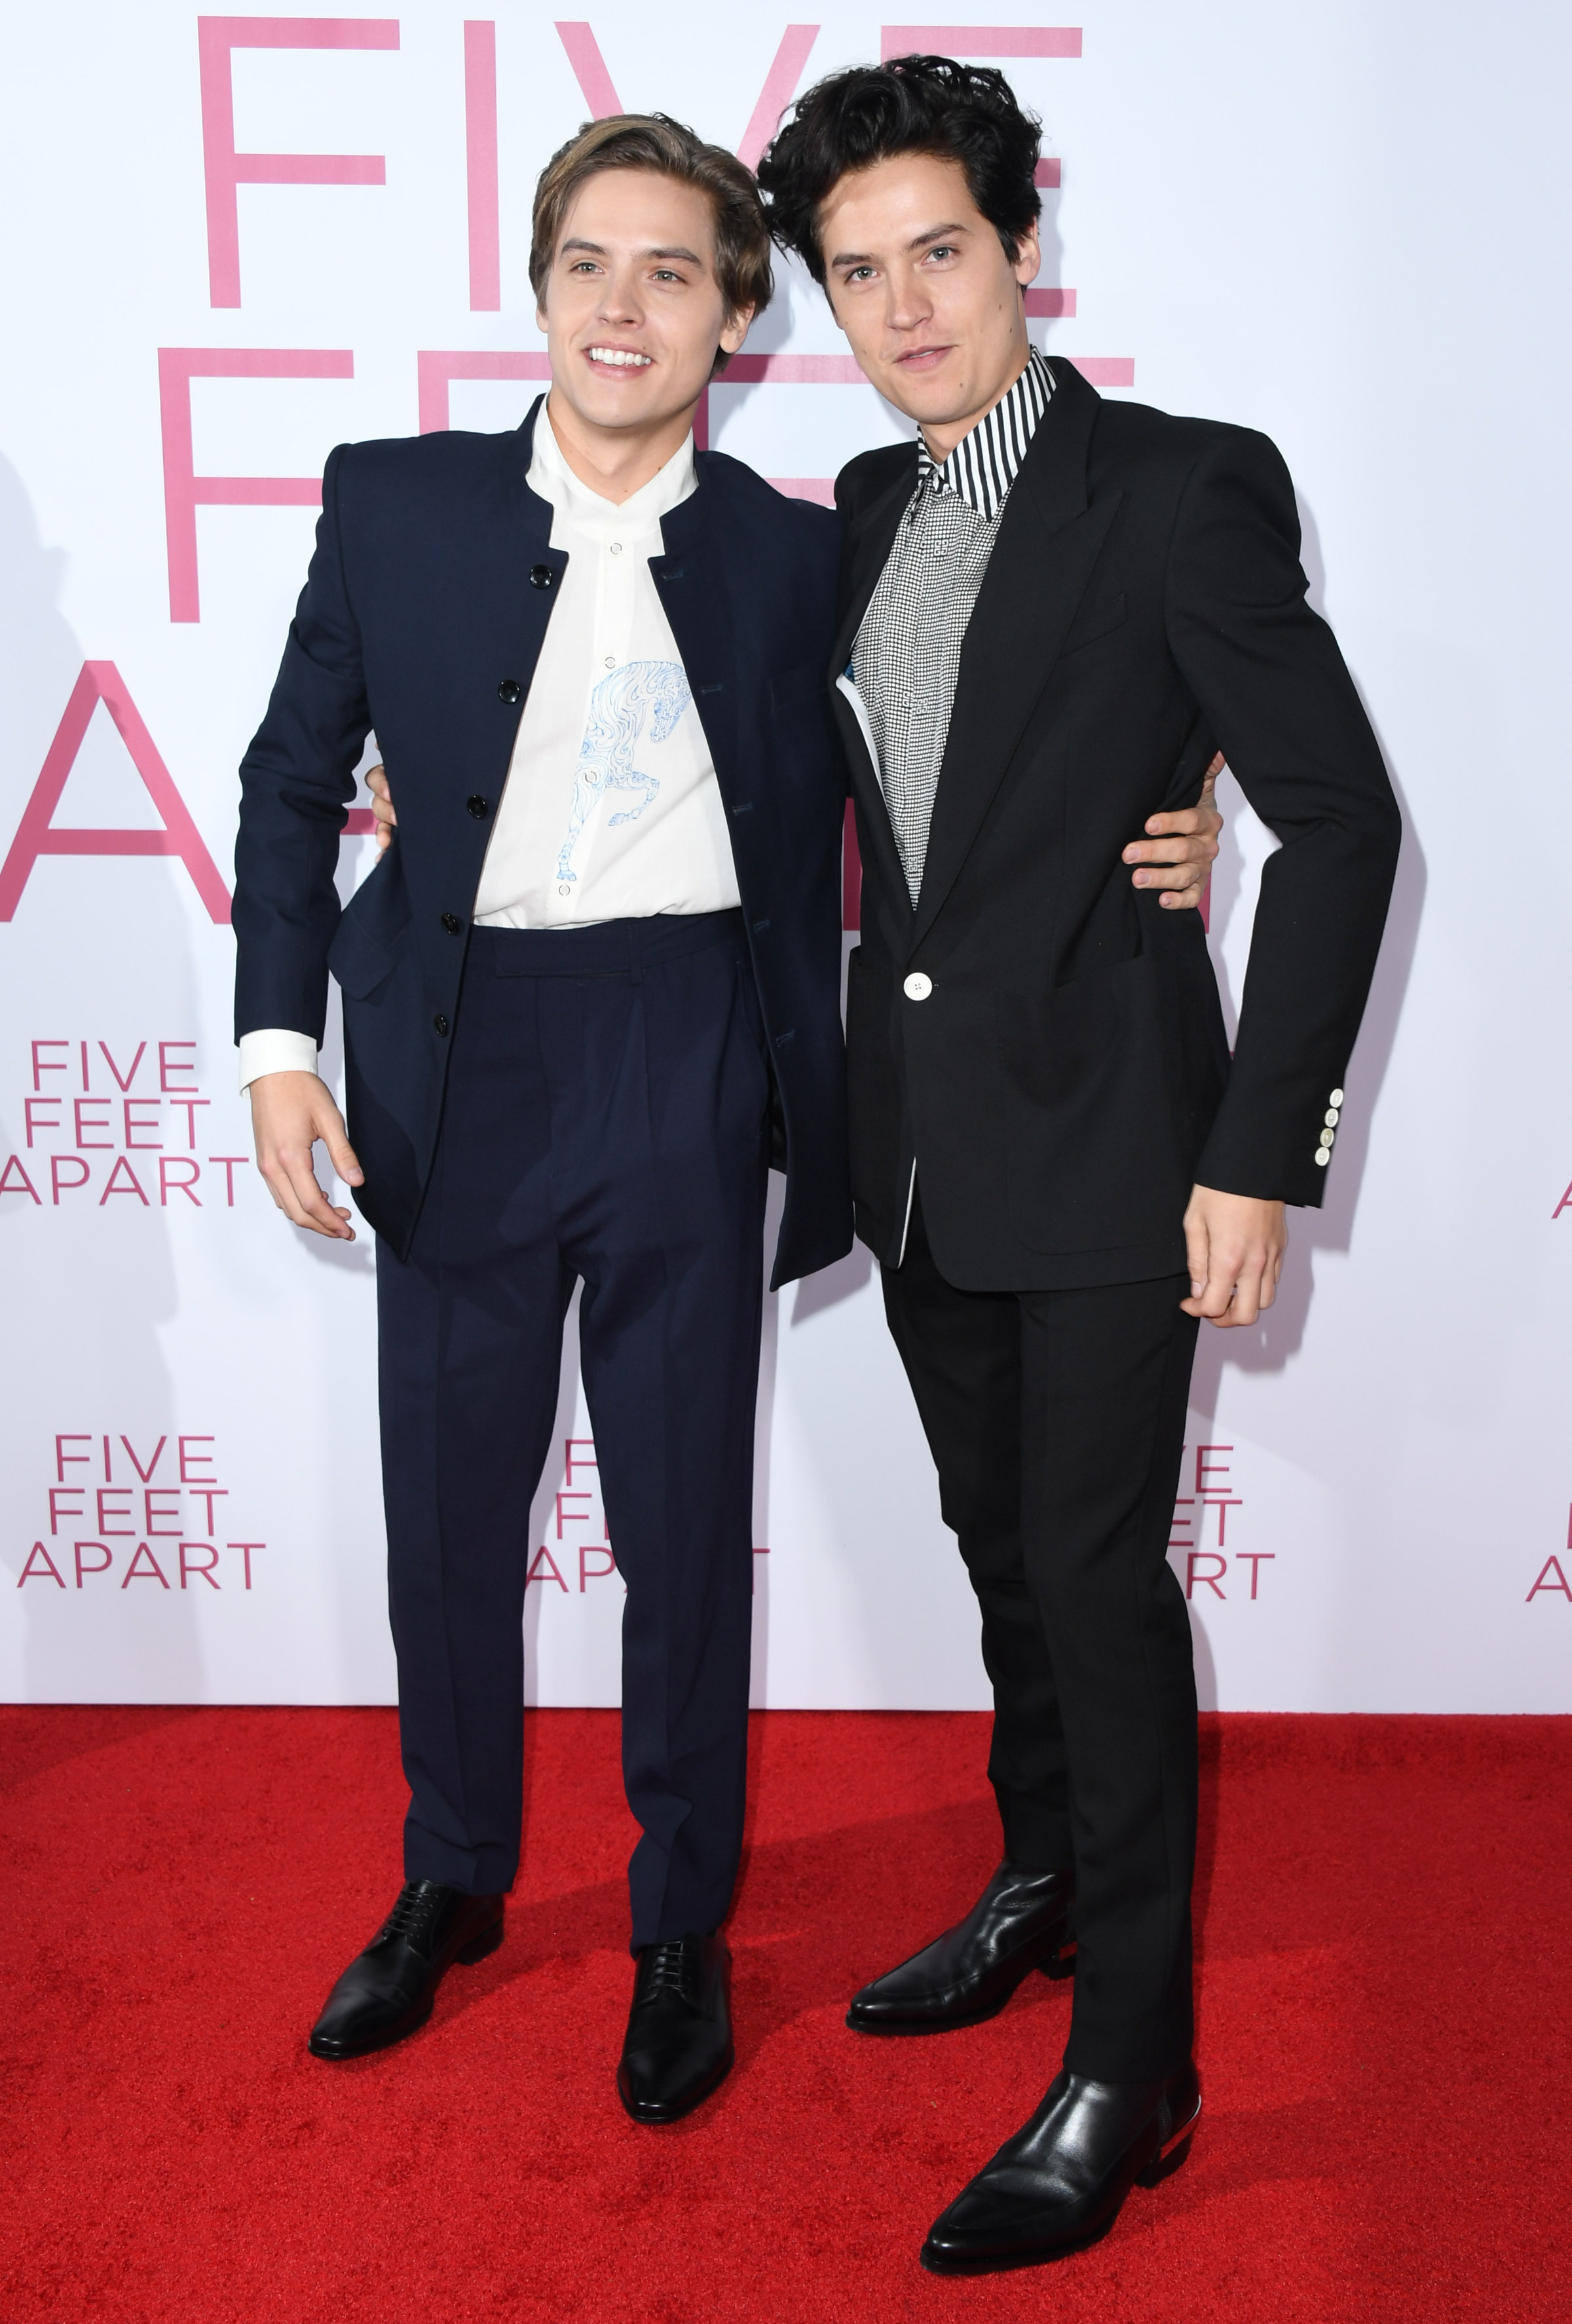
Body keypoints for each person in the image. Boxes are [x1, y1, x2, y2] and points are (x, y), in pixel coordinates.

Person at [303, 117, 1217, 2126]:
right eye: (585, 268)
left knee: (682, 1536)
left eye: (671, 274)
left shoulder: (813, 544)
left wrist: (1187, 788)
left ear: (737, 315)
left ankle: (679, 1921)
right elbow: (295, 784)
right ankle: (451, 1872)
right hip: (460, 1062)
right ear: (537, 291)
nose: (621, 308)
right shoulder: (389, 506)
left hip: (690, 1048)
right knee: (446, 1517)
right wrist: (280, 1048)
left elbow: (1007, 691)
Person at [753, 56, 1401, 2273]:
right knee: (1003, 1553)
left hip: (1128, 1141)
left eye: (942, 251)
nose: (906, 304)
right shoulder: (855, 506)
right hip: (926, 1148)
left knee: (1102, 1587)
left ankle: (1137, 2058)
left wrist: (1257, 1152)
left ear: (1023, 248)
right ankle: (1039, 1888)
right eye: (858, 272)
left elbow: (1345, 821)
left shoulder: (1186, 485)